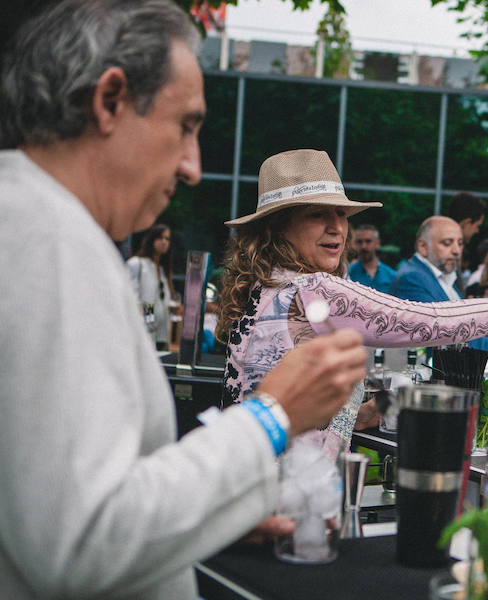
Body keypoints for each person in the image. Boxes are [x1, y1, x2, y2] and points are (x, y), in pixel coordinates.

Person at [0, 2, 369, 598]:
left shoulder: (31, 222)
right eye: (187, 126)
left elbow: (58, 507)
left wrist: (207, 517)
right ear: (111, 100)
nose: (194, 167)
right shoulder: (52, 241)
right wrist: (271, 418)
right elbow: (84, 543)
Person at [218, 150, 488, 459]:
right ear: (279, 227)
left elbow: (283, 406)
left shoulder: (263, 287)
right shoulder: (314, 288)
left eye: (341, 214)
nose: (337, 228)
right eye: (317, 214)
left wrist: (360, 415)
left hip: (251, 487)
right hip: (291, 502)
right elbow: (428, 321)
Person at [390, 216, 488, 371]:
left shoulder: (443, 278)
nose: (456, 251)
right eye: (447, 243)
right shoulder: (412, 277)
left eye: (460, 244)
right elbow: (441, 327)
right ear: (422, 246)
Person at [126, 223, 178, 349]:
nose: (164, 242)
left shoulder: (162, 268)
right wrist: (149, 324)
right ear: (152, 240)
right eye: (160, 238)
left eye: (167, 239)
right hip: (143, 331)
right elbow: (136, 300)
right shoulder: (137, 264)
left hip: (162, 332)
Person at [347, 223, 396, 293]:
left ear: (377, 243)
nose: (363, 246)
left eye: (368, 241)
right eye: (359, 242)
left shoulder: (392, 276)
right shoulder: (348, 274)